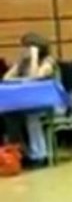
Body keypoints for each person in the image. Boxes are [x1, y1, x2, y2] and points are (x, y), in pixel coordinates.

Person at [2, 33, 57, 167]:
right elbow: (5, 78)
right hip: (26, 104)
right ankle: (21, 153)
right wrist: (19, 63)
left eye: (25, 48)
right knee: (9, 116)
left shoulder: (48, 61)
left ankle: (39, 155)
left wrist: (34, 57)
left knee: (33, 117)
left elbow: (34, 78)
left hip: (47, 103)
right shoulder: (24, 63)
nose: (22, 50)